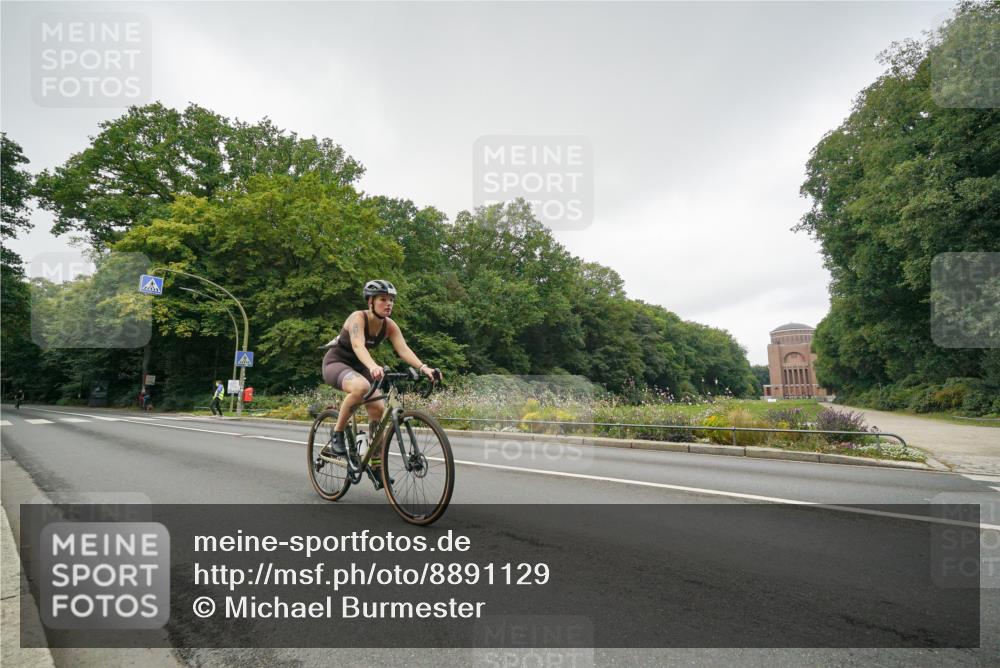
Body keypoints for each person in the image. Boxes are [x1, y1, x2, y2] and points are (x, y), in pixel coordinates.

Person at [321, 280, 441, 463]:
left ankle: (376, 464)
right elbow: (358, 345)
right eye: (383, 299)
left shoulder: (389, 326)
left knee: (379, 409)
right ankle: (337, 432)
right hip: (336, 362)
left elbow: (403, 350)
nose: (389, 303)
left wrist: (424, 368)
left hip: (361, 366)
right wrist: (373, 366)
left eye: (391, 300)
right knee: (361, 387)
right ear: (371, 301)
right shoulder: (357, 318)